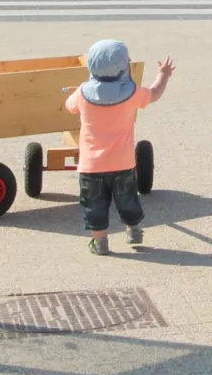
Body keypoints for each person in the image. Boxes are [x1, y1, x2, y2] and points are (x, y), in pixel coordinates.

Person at [64, 40, 175, 255]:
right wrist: (164, 75)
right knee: (127, 198)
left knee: (94, 205)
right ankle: (133, 230)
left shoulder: (83, 93)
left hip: (91, 166)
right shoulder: (131, 93)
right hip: (123, 162)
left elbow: (70, 107)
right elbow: (154, 93)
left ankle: (100, 242)